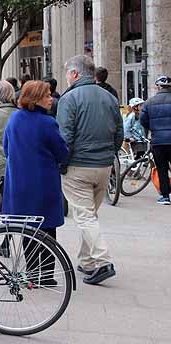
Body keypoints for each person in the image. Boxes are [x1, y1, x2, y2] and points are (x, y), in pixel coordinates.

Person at [56, 55, 122, 286]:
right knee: (90, 216)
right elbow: (119, 132)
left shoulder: (70, 98)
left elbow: (65, 136)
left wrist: (62, 164)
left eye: (67, 73)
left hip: (78, 165)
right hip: (103, 165)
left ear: (75, 74)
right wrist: (109, 155)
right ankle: (87, 260)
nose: (66, 78)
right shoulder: (109, 97)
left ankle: (102, 261)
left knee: (84, 217)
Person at [1, 81, 69, 285]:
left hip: (19, 182)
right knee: (47, 228)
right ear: (36, 98)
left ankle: (31, 272)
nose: (51, 98)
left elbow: (6, 148)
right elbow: (62, 152)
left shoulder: (14, 118)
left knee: (27, 229)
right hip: (43, 182)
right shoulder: (47, 123)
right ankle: (46, 275)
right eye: (47, 95)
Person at [142, 76, 171, 205]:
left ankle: (165, 196)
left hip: (158, 141)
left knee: (162, 168)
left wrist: (152, 129)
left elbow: (143, 120)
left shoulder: (149, 102)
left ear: (157, 87)